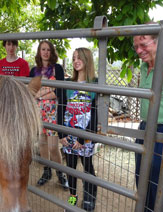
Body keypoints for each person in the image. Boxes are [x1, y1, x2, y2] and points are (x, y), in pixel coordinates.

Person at [133, 22, 163, 212]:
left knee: (157, 179)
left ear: (158, 41)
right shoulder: (144, 67)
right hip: (144, 127)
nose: (139, 51)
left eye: (143, 45)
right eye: (136, 47)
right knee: (140, 175)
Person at [60, 48, 98, 212]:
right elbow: (61, 108)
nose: (75, 61)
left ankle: (89, 197)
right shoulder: (68, 84)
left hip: (85, 135)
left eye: (79, 58)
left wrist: (83, 138)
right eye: (74, 58)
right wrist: (61, 134)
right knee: (70, 166)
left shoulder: (95, 83)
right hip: (69, 134)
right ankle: (73, 197)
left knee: (87, 166)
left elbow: (96, 112)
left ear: (87, 59)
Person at [30, 40, 68, 190]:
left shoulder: (57, 69)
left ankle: (61, 174)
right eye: (43, 49)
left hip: (53, 112)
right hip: (38, 113)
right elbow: (31, 92)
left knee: (53, 147)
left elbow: (60, 91)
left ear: (52, 52)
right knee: (42, 144)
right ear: (39, 52)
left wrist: (41, 94)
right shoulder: (34, 71)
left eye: (48, 50)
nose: (45, 52)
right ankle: (47, 172)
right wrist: (47, 91)